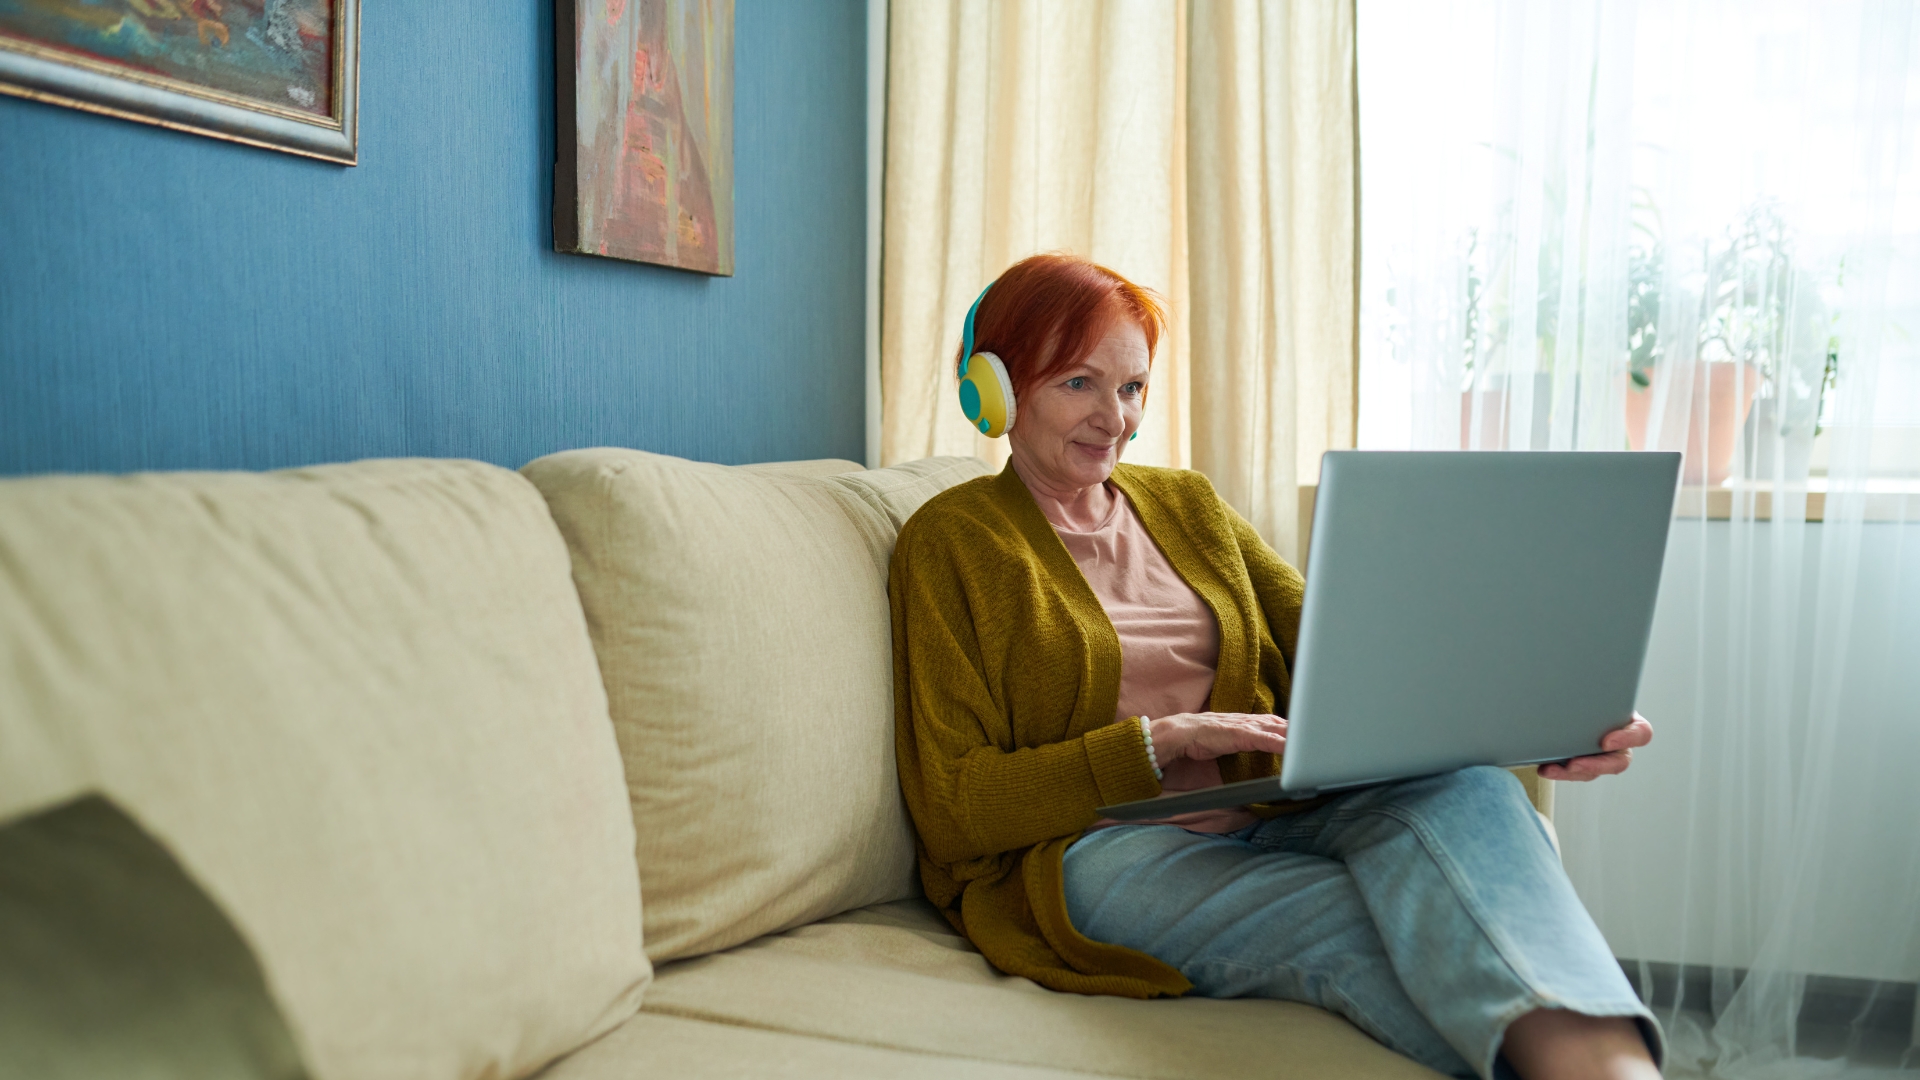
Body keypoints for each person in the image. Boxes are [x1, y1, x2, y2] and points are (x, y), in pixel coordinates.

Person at [888, 253, 1664, 1080]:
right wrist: (1160, 742)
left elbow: (1352, 646)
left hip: (1275, 806)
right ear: (996, 390)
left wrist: (1540, 713)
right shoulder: (953, 542)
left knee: (1475, 794)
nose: (1113, 419)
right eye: (1080, 383)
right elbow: (953, 803)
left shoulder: (1187, 504)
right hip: (1102, 851)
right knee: (1403, 929)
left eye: (1132, 388)